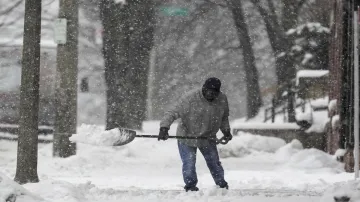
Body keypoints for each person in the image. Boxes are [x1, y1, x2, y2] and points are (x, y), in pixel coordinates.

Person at [158, 77, 233, 192]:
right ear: (203, 88)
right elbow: (172, 112)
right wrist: (164, 128)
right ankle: (190, 186)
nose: (210, 95)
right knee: (189, 163)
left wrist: (226, 131)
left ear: (218, 92)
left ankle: (221, 184)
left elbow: (224, 117)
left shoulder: (222, 99)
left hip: (208, 137)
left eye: (214, 93)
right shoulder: (190, 98)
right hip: (187, 135)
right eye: (208, 91)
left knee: (214, 163)